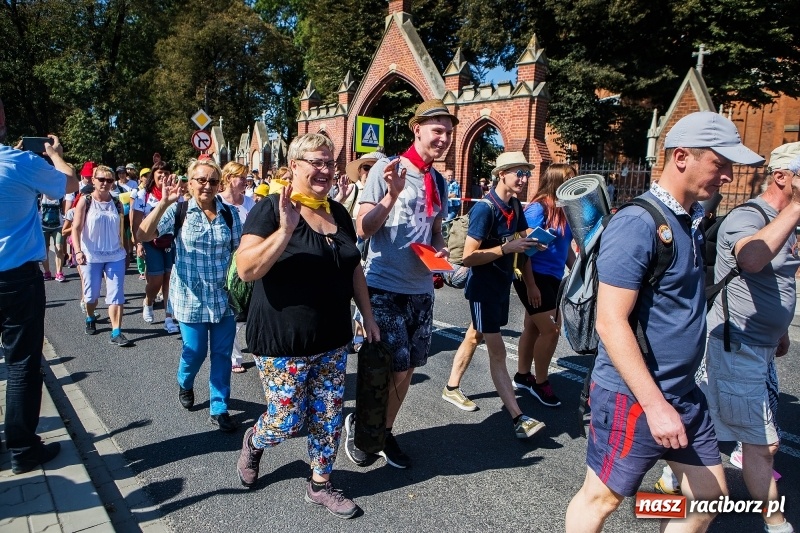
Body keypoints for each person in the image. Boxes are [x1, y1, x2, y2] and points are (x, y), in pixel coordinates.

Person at [565, 111, 765, 532]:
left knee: (710, 497)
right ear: (680, 157)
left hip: (682, 393)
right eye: (720, 164)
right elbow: (610, 323)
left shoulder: (687, 219)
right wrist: (656, 407)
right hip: (635, 398)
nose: (728, 177)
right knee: (599, 500)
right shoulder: (638, 223)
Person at [234, 133, 379, 518]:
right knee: (285, 420)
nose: (325, 170)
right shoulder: (270, 208)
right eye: (316, 162)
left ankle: (321, 484)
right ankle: (255, 439)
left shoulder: (339, 212)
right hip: (283, 339)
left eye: (329, 162)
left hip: (333, 337)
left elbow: (353, 269)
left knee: (328, 416)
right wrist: (284, 230)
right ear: (294, 166)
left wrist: (367, 314)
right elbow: (247, 269)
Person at [344, 99, 453, 469]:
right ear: (416, 129)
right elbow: (364, 227)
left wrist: (441, 254)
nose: (444, 138)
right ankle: (364, 428)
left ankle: (382, 430)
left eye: (449, 133)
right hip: (384, 285)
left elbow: (435, 231)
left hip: (421, 289)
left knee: (406, 370)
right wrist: (391, 195)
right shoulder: (386, 169)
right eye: (437, 130)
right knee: (386, 366)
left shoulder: (438, 180)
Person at [701, 142, 800, 533]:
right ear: (782, 177)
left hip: (759, 344)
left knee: (712, 422)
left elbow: (778, 278)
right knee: (763, 444)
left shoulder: (785, 220)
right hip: (735, 343)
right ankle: (776, 525)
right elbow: (751, 260)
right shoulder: (748, 217)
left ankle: (677, 478)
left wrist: (778, 333)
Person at [441, 152, 546, 438]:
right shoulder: (485, 209)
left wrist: (534, 256)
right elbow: (468, 256)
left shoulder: (514, 204)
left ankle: (451, 388)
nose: (524, 179)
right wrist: (505, 249)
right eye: (518, 173)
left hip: (502, 285)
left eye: (526, 173)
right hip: (483, 290)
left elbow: (523, 243)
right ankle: (518, 417)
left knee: (474, 336)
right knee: (498, 352)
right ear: (502, 174)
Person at [0, 96, 78, 474]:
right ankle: (22, 449)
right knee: (22, 364)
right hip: (15, 279)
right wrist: (56, 153)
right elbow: (68, 183)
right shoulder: (19, 163)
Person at [138, 158, 243, 432]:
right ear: (190, 182)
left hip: (223, 298)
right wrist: (163, 203)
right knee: (194, 351)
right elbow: (142, 234)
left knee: (221, 354)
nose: (207, 185)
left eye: (212, 181)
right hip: (190, 298)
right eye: (201, 180)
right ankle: (185, 381)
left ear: (220, 184)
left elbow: (240, 253)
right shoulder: (179, 210)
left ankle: (219, 407)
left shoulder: (230, 214)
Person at [511, 163, 576, 407]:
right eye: (569, 178)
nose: (573, 182)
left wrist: (580, 271)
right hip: (533, 275)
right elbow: (523, 246)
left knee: (533, 326)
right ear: (556, 180)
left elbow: (565, 247)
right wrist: (531, 286)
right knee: (551, 330)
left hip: (553, 277)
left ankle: (522, 375)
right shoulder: (538, 208)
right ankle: (541, 382)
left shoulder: (564, 208)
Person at [71, 165, 132, 346]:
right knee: (91, 296)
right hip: (90, 255)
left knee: (116, 295)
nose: (105, 183)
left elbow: (124, 230)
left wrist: (128, 251)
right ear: (94, 180)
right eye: (101, 180)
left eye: (109, 180)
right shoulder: (85, 200)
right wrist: (78, 251)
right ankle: (90, 316)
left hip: (115, 255)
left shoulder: (117, 203)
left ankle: (116, 331)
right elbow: (75, 228)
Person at [132, 160, 179, 333]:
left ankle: (168, 318)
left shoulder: (176, 193)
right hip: (150, 242)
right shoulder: (143, 195)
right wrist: (138, 244)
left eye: (167, 173)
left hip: (170, 241)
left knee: (169, 278)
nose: (164, 176)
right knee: (156, 279)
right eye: (160, 173)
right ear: (154, 175)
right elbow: (136, 222)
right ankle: (149, 300)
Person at [217, 161, 256, 373]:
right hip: (226, 263)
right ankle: (234, 356)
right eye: (241, 177)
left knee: (251, 307)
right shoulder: (218, 202)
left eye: (246, 177)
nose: (245, 181)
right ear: (229, 178)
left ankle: (257, 347)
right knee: (232, 310)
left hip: (248, 260)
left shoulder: (249, 203)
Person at [40, 192, 66, 281]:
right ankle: (47, 272)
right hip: (42, 226)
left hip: (58, 226)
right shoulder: (40, 194)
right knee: (44, 250)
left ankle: (59, 272)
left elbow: (65, 208)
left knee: (59, 248)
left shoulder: (60, 194)